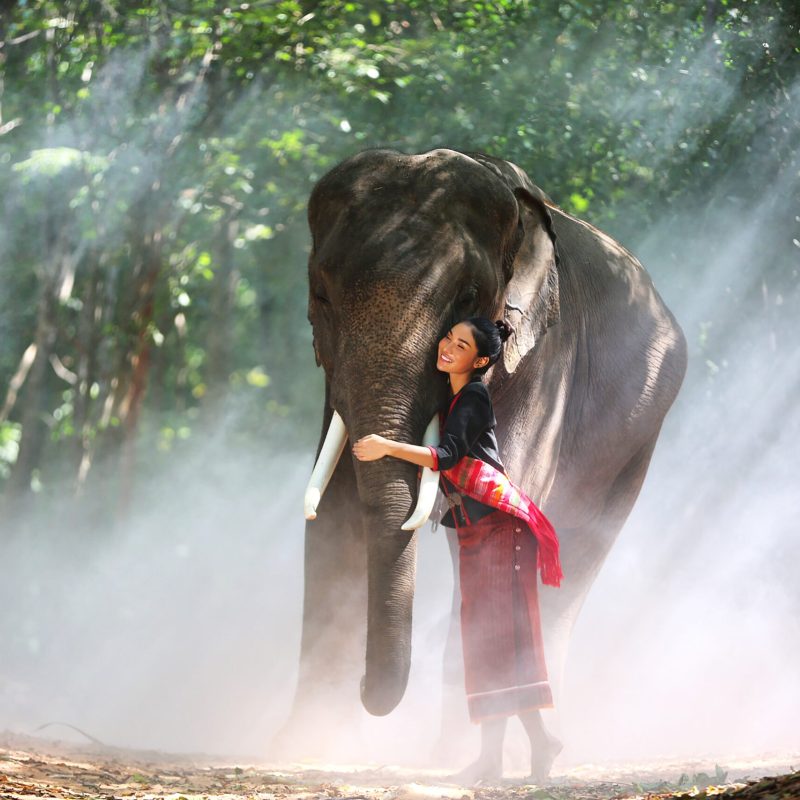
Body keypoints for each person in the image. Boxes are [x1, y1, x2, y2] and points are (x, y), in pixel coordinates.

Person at [353, 317, 563, 784]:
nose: (447, 345)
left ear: (481, 360)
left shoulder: (473, 396)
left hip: (499, 531)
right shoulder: (453, 397)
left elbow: (447, 456)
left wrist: (386, 446)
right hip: (477, 532)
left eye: (460, 343)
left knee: (502, 640)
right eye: (448, 337)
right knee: (485, 642)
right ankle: (500, 755)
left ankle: (536, 745)